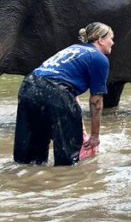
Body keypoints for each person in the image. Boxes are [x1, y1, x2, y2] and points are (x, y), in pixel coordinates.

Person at [13, 22, 114, 165]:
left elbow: (67, 87)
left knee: (29, 158)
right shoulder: (99, 58)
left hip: (28, 87)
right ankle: (65, 181)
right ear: (101, 40)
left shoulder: (73, 49)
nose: (113, 42)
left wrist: (81, 128)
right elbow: (96, 102)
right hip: (55, 91)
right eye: (111, 38)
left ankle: (26, 181)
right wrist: (94, 136)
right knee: (68, 158)